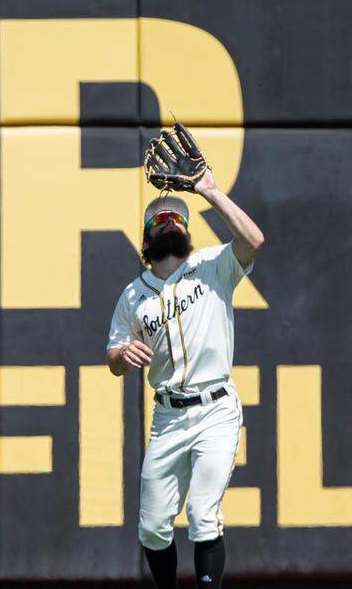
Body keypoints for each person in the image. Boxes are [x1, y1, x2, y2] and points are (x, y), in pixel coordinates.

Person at [105, 160, 265, 589]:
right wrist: (122, 354)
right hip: (168, 417)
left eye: (177, 219)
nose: (171, 223)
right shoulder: (133, 295)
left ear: (187, 231)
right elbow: (114, 359)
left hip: (216, 409)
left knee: (202, 514)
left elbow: (253, 239)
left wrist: (210, 191)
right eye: (162, 220)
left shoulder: (213, 266)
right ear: (147, 238)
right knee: (152, 528)